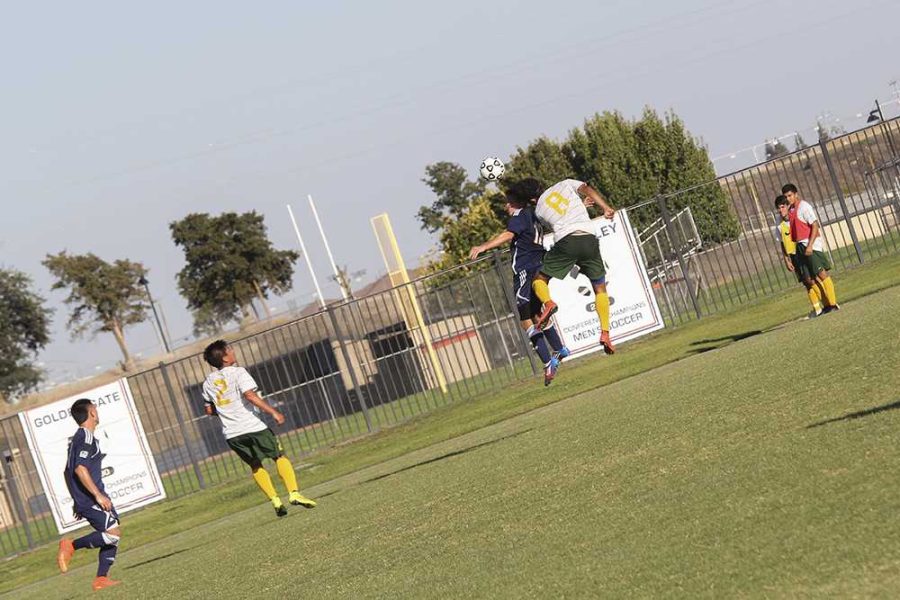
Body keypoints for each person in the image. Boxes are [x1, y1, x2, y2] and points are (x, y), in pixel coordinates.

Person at [202, 340, 316, 517]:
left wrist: (227, 412)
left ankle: (275, 500)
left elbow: (209, 410)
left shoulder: (209, 382)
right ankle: (294, 493)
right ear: (225, 357)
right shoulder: (239, 372)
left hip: (232, 434)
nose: (233, 351)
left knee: (255, 465)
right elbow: (249, 395)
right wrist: (274, 412)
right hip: (252, 426)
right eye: (229, 350)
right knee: (279, 456)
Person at [506, 178, 617, 354]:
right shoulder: (565, 183)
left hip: (567, 242)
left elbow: (559, 218)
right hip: (589, 238)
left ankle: (548, 303)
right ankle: (605, 332)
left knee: (539, 279)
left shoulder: (540, 210)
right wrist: (605, 207)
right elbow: (587, 188)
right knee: (600, 288)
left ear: (530, 199)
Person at [469, 194, 571, 386]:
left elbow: (508, 234)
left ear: (516, 202)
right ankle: (559, 348)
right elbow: (556, 217)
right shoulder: (534, 213)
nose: (506, 205)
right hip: (540, 266)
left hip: (526, 269)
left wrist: (483, 246)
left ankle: (548, 362)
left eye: (509, 201)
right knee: (535, 314)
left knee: (525, 318)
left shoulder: (519, 216)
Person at [56, 399, 122, 591]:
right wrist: (97, 496)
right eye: (96, 409)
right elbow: (79, 469)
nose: (97, 412)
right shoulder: (85, 438)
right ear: (91, 413)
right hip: (91, 498)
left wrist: (76, 500)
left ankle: (101, 578)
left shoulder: (81, 437)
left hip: (87, 498)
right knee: (112, 534)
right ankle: (71, 545)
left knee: (114, 531)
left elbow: (66, 471)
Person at [782, 183, 840, 312]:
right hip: (800, 245)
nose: (788, 198)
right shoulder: (791, 209)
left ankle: (833, 304)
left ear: (796, 194)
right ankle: (826, 306)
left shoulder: (804, 207)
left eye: (790, 195)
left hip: (810, 244)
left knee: (822, 273)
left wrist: (810, 245)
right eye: (786, 196)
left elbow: (814, 225)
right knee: (810, 278)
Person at [775, 195, 826, 317]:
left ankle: (828, 303)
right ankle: (817, 308)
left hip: (800, 251)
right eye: (778, 208)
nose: (780, 210)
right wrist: (786, 260)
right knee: (806, 282)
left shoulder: (795, 217)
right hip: (792, 255)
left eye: (783, 207)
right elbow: (782, 242)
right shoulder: (779, 223)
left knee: (811, 279)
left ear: (788, 206)